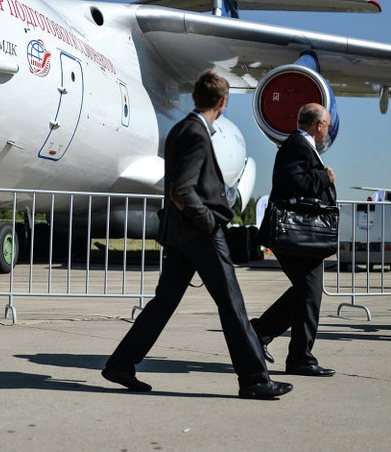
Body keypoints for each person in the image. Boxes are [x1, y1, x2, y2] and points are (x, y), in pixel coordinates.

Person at [102, 71, 292, 400]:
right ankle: (254, 379)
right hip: (199, 233)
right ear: (223, 102)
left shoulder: (182, 129)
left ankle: (121, 364)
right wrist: (207, 222)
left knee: (164, 304)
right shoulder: (195, 133)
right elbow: (182, 190)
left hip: (181, 234)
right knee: (232, 304)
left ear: (195, 98)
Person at [250, 103, 337, 377]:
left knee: (305, 292)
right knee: (309, 293)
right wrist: (325, 176)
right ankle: (300, 358)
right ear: (319, 125)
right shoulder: (298, 145)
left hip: (299, 236)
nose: (328, 130)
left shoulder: (298, 144)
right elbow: (295, 181)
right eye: (328, 125)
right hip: (297, 235)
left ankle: (259, 333)